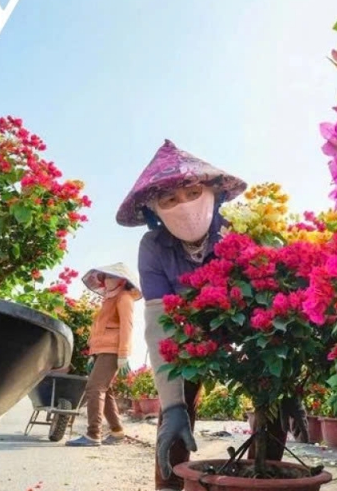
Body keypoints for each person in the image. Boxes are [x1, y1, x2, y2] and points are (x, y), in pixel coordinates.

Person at [116, 140, 308, 490]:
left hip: (252, 327)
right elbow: (160, 325)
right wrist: (173, 406)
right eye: (168, 200)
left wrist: (289, 385)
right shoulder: (154, 248)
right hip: (191, 334)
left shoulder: (242, 228)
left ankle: (262, 475)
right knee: (175, 411)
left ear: (214, 193)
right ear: (153, 212)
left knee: (273, 399)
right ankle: (170, 484)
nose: (183, 206)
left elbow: (274, 307)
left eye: (192, 192)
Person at [65, 263, 139, 447]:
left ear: (121, 280)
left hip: (112, 350)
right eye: (104, 277)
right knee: (106, 392)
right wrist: (92, 353)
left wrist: (123, 354)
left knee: (94, 388)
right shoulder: (108, 299)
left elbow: (127, 328)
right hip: (102, 350)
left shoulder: (124, 298)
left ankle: (93, 434)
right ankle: (117, 432)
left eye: (110, 277)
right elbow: (99, 329)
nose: (105, 280)